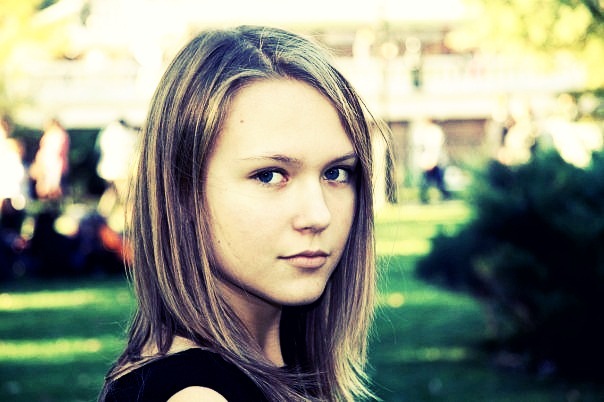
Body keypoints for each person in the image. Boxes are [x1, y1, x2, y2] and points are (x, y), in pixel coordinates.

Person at [99, 25, 390, 402]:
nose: (318, 215)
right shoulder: (198, 396)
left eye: (335, 173)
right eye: (269, 175)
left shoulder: (271, 365)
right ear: (183, 192)